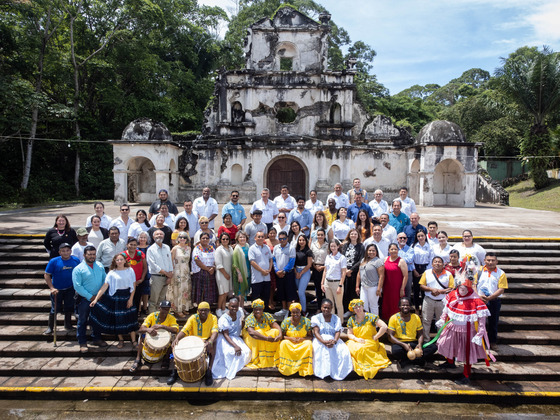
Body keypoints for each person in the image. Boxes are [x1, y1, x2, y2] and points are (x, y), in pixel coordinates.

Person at [436, 276, 493, 384]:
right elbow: (446, 309)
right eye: (461, 288)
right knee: (445, 343)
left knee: (466, 352)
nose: (462, 291)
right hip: (452, 327)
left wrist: (479, 334)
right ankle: (450, 361)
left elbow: (482, 321)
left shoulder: (476, 301)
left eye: (465, 289)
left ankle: (466, 374)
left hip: (467, 332)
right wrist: (442, 319)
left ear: (470, 289)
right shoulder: (453, 295)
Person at [89, 254, 139, 349]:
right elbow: (105, 286)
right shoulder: (112, 272)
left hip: (127, 296)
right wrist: (95, 299)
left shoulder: (130, 270)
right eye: (117, 260)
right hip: (116, 297)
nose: (119, 261)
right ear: (115, 262)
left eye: (121, 259)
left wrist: (131, 299)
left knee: (131, 318)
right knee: (118, 320)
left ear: (125, 261)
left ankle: (134, 341)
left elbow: (133, 285)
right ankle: (121, 340)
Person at [169, 302, 218, 386]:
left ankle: (209, 372)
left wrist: (210, 341)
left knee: (212, 348)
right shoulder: (193, 318)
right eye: (201, 310)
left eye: (205, 310)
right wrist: (177, 338)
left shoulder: (213, 318)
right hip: (192, 340)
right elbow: (185, 329)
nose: (203, 312)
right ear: (198, 310)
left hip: (206, 340)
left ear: (209, 310)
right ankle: (175, 372)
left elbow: (215, 331)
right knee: (175, 348)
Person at [72, 246, 107, 353]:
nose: (92, 256)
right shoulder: (78, 269)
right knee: (82, 320)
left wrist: (100, 295)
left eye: (93, 254)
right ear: (84, 255)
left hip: (98, 298)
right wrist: (90, 297)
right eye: (89, 254)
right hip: (84, 299)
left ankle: (96, 338)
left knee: (97, 319)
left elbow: (105, 281)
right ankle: (82, 342)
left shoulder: (100, 265)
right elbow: (77, 286)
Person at [346, 299, 391, 379]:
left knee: (362, 349)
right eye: (355, 308)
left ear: (363, 306)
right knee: (350, 347)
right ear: (353, 309)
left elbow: (384, 326)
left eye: (359, 306)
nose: (358, 309)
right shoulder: (351, 319)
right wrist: (356, 339)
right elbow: (349, 334)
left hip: (370, 341)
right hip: (356, 341)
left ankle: (365, 364)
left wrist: (376, 336)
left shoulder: (371, 317)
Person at [129, 300, 179, 373]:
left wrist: (162, 326)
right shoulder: (152, 315)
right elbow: (141, 329)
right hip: (151, 338)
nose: (165, 311)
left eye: (167, 309)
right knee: (142, 335)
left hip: (163, 340)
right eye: (164, 309)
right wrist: (148, 329)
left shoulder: (171, 317)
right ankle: (138, 359)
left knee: (173, 337)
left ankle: (166, 359)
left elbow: (175, 330)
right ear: (159, 308)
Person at [387, 297, 438, 368]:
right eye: (403, 305)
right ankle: (417, 360)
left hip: (414, 342)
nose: (405, 307)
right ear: (399, 306)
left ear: (410, 307)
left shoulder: (416, 317)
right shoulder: (394, 318)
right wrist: (403, 345)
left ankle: (406, 361)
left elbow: (420, 333)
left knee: (433, 347)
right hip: (400, 343)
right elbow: (390, 336)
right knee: (396, 351)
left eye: (407, 305)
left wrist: (419, 344)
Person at [310, 298, 353, 380]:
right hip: (320, 340)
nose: (326, 309)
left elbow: (337, 331)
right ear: (321, 307)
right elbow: (316, 332)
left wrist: (335, 341)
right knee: (319, 350)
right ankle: (324, 372)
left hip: (333, 339)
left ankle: (334, 372)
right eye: (324, 307)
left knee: (342, 351)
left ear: (332, 308)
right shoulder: (316, 318)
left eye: (328, 308)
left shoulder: (336, 318)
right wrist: (324, 341)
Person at [43, 243, 80, 334]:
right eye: (63, 251)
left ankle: (68, 324)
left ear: (71, 251)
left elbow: (79, 274)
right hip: (57, 289)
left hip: (70, 288)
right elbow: (47, 275)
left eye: (67, 250)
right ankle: (50, 327)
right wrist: (51, 288)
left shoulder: (76, 260)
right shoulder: (54, 261)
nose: (65, 253)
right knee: (55, 308)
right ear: (59, 252)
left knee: (69, 307)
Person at [213, 297, 251, 380]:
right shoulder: (223, 319)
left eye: (236, 306)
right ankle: (227, 370)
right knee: (230, 353)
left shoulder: (240, 311)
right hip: (225, 339)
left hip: (236, 337)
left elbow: (243, 321)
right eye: (232, 306)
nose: (234, 308)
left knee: (247, 352)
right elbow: (226, 335)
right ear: (228, 306)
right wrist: (235, 346)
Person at [477, 252, 508, 351]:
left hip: (494, 300)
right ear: (484, 261)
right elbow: (473, 284)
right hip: (479, 300)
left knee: (493, 322)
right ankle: (478, 342)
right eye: (488, 260)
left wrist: (490, 297)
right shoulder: (478, 271)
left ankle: (492, 342)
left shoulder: (501, 273)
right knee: (478, 322)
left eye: (493, 260)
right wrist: (478, 296)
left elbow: (501, 289)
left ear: (496, 261)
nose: (490, 262)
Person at [419, 256, 454, 341]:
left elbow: (452, 287)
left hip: (442, 301)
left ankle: (440, 340)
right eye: (435, 262)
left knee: (441, 321)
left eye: (439, 262)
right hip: (429, 300)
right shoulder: (427, 272)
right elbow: (421, 285)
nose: (437, 264)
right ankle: (426, 340)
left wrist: (440, 291)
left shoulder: (448, 274)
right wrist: (432, 289)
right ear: (432, 264)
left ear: (443, 264)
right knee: (426, 320)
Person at [243, 299, 282, 368]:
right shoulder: (250, 318)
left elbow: (275, 325)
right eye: (256, 309)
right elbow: (252, 332)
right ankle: (260, 359)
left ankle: (271, 358)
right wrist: (266, 338)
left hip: (264, 336)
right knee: (259, 332)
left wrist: (280, 335)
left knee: (275, 331)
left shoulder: (267, 315)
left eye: (260, 309)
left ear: (263, 309)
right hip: (253, 338)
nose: (258, 311)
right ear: (253, 310)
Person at [278, 302, 313, 377]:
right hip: (290, 343)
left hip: (301, 343)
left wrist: (302, 339)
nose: (295, 314)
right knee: (283, 344)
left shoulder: (306, 321)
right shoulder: (286, 321)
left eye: (297, 312)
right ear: (291, 313)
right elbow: (282, 336)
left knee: (308, 344)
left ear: (300, 312)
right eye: (293, 312)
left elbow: (310, 336)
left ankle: (303, 367)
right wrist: (290, 338)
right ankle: (287, 366)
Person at [146, 229, 173, 313]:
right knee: (154, 300)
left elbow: (170, 262)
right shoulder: (151, 249)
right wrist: (166, 273)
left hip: (166, 277)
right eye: (157, 234)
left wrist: (170, 276)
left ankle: (159, 317)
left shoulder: (167, 247)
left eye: (161, 234)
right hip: (156, 277)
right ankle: (152, 318)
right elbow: (153, 265)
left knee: (161, 300)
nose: (159, 236)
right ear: (153, 237)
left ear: (163, 236)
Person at [272, 231, 297, 318]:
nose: (282, 240)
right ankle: (284, 309)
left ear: (287, 238)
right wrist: (276, 270)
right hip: (278, 274)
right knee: (281, 292)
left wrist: (283, 271)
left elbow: (291, 261)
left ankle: (289, 311)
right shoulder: (276, 247)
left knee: (289, 292)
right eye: (280, 239)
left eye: (284, 238)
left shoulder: (291, 248)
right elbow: (274, 260)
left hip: (288, 274)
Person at [341, 228, 364, 319]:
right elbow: (342, 257)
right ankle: (347, 310)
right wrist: (346, 270)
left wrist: (351, 270)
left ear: (358, 236)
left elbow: (361, 259)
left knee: (353, 292)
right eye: (352, 234)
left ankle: (354, 311)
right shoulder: (345, 246)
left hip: (355, 272)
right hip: (345, 271)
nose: (353, 236)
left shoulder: (361, 246)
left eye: (355, 234)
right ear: (349, 236)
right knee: (345, 292)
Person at [168, 231, 192, 316]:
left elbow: (189, 261)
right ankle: (178, 309)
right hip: (177, 271)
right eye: (180, 237)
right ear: (178, 239)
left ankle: (184, 307)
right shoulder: (175, 248)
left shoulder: (189, 248)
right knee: (178, 290)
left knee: (186, 290)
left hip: (186, 271)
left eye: (184, 237)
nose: (182, 239)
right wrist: (172, 271)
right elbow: (171, 261)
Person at [122, 237, 148, 317]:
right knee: (127, 301)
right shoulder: (123, 255)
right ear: (127, 245)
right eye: (131, 244)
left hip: (138, 282)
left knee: (137, 300)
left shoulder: (140, 254)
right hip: (126, 283)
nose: (132, 246)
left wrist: (142, 279)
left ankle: (135, 318)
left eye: (134, 245)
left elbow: (145, 267)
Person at [321, 239, 347, 319]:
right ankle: (331, 321)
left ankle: (340, 322)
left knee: (338, 304)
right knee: (329, 304)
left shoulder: (342, 258)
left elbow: (343, 273)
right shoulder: (328, 257)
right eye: (331, 246)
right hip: (327, 282)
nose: (333, 248)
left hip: (337, 283)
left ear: (338, 246)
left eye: (334, 246)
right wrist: (322, 283)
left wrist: (340, 285)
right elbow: (325, 270)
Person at [382, 243, 408, 321]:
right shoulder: (385, 259)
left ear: (398, 250)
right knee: (387, 305)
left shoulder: (401, 261)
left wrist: (402, 288)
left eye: (395, 249)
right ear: (389, 250)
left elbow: (405, 276)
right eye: (392, 249)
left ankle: (397, 323)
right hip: (387, 287)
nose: (393, 251)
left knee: (396, 306)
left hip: (397, 288)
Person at [356, 244, 384, 315]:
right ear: (367, 251)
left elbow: (381, 276)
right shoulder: (363, 260)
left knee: (373, 305)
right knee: (363, 305)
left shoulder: (378, 261)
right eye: (370, 250)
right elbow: (359, 274)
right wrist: (357, 286)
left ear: (376, 252)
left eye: (373, 251)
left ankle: (375, 324)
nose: (371, 252)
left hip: (373, 287)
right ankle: (366, 322)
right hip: (363, 286)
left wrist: (379, 288)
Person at [191, 232, 218, 306]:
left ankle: (208, 307)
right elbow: (197, 260)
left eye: (207, 238)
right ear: (200, 239)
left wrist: (213, 268)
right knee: (201, 292)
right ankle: (200, 308)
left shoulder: (212, 248)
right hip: (201, 272)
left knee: (209, 292)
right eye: (203, 238)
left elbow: (216, 259)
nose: (205, 239)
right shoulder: (197, 248)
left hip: (211, 272)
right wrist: (207, 269)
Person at [412, 230, 434, 312]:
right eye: (418, 236)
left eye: (422, 236)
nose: (420, 238)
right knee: (416, 290)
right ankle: (417, 308)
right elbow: (411, 260)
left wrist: (425, 272)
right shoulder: (414, 246)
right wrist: (414, 270)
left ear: (425, 236)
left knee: (424, 290)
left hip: (426, 269)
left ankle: (425, 309)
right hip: (416, 269)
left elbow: (431, 260)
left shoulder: (430, 247)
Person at [248, 232, 273, 303]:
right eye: (258, 237)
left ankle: (265, 313)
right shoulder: (252, 248)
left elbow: (271, 259)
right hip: (257, 278)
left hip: (267, 277)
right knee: (256, 299)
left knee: (266, 297)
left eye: (262, 237)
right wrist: (262, 271)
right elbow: (252, 262)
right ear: (255, 238)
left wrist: (270, 269)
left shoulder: (267, 247)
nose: (260, 238)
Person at [215, 232, 234, 317]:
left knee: (226, 292)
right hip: (222, 274)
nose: (225, 240)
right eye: (223, 239)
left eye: (227, 239)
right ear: (220, 240)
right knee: (222, 293)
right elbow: (218, 264)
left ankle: (223, 308)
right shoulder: (219, 250)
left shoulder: (230, 248)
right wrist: (225, 274)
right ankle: (218, 309)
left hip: (229, 273)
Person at [294, 234, 313, 314]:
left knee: (301, 292)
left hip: (305, 271)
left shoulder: (308, 251)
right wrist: (296, 272)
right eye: (300, 240)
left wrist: (301, 273)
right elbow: (293, 263)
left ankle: (304, 310)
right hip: (296, 271)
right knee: (298, 291)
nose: (301, 242)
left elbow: (309, 265)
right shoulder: (295, 250)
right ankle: (298, 308)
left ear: (306, 241)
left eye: (303, 240)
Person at [310, 228, 328, 309]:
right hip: (315, 268)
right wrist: (314, 266)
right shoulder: (313, 245)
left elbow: (330, 258)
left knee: (326, 289)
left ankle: (327, 308)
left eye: (321, 235)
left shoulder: (328, 245)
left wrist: (324, 267)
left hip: (325, 269)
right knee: (318, 289)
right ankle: (319, 308)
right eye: (318, 235)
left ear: (324, 236)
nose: (320, 236)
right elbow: (311, 257)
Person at [232, 231, 251, 309]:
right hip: (239, 272)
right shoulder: (237, 249)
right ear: (237, 239)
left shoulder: (248, 246)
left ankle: (242, 307)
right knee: (240, 291)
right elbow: (235, 263)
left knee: (244, 291)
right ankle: (240, 308)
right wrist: (239, 274)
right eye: (240, 237)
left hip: (247, 271)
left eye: (243, 237)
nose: (242, 239)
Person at [136, 232, 152, 314]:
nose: (142, 239)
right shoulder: (135, 248)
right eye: (141, 237)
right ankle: (138, 309)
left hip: (148, 271)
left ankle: (145, 308)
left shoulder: (150, 248)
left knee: (146, 291)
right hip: (137, 271)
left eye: (144, 237)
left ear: (147, 239)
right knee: (138, 291)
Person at [265, 227, 279, 310]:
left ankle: (272, 299)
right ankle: (269, 301)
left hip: (276, 266)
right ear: (268, 234)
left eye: (274, 233)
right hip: (267, 266)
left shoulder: (278, 242)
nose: (272, 234)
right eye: (271, 233)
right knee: (269, 285)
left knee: (274, 285)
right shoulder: (265, 242)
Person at [397, 233, 415, 298]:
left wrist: (397, 260)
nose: (402, 239)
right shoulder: (394, 248)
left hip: (408, 273)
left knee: (407, 291)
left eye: (404, 238)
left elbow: (409, 260)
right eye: (400, 238)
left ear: (407, 239)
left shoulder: (410, 249)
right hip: (396, 273)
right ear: (397, 239)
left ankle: (407, 307)